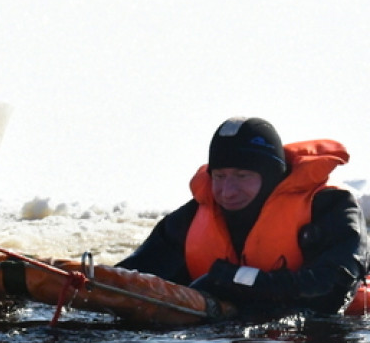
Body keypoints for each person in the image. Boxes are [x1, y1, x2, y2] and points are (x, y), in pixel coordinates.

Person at [117, 116, 368, 317]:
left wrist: (234, 280)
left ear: (271, 177)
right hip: (226, 332)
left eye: (242, 176)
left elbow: (332, 290)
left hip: (321, 336)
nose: (227, 191)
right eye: (219, 176)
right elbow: (129, 277)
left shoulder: (330, 207)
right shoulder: (193, 217)